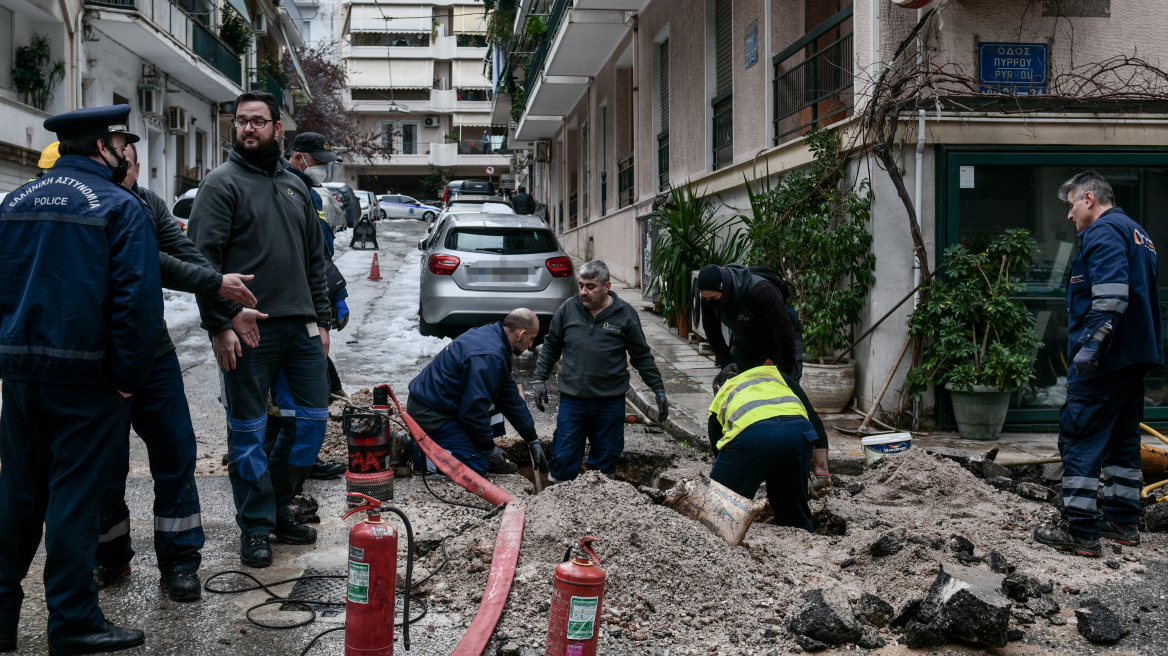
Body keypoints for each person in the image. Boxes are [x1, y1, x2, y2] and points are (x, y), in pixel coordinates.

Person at [0, 105, 161, 654]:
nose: (126, 153)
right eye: (121, 143)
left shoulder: (15, 202)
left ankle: (0, 618)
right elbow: (136, 305)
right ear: (102, 148)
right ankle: (71, 620)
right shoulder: (120, 207)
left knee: (18, 494)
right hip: (86, 379)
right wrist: (126, 379)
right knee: (74, 498)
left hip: (22, 374)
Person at [91, 143, 263, 601]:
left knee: (176, 452)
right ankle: (109, 556)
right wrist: (214, 284)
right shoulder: (95, 204)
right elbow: (147, 261)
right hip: (100, 357)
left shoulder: (148, 203)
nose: (123, 166)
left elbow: (187, 254)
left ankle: (180, 562)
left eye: (128, 158)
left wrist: (228, 310)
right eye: (115, 157)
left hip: (154, 352)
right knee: (106, 464)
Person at [188, 91, 333, 569]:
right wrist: (220, 322)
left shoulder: (295, 186)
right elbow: (200, 262)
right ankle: (255, 526)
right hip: (248, 330)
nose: (249, 129)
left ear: (277, 128)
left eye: (258, 121)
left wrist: (323, 321)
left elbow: (316, 260)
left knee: (312, 424)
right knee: (248, 431)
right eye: (241, 122)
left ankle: (276, 507)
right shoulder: (221, 184)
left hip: (301, 330)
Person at [1034, 171, 1162, 557]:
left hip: (1104, 361)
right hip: (1133, 357)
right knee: (1123, 439)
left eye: (1071, 204)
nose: (1070, 215)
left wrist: (1090, 347)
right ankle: (1123, 521)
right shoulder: (1139, 233)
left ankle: (1081, 530)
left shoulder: (1104, 232)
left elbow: (1111, 297)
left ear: (1089, 198)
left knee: (1080, 434)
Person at [696, 263, 831, 495]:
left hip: (782, 342)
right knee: (733, 392)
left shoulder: (760, 291)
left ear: (725, 290)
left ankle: (819, 471)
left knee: (791, 401)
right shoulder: (709, 297)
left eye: (714, 298)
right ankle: (739, 458)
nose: (711, 303)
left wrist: (782, 376)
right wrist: (727, 362)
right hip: (746, 344)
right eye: (706, 299)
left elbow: (784, 333)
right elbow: (711, 329)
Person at [533, 261, 667, 482]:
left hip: (609, 402)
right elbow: (551, 345)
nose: (584, 292)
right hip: (573, 401)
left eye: (591, 287)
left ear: (606, 287)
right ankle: (557, 507)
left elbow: (641, 355)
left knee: (604, 461)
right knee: (563, 457)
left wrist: (658, 388)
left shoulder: (625, 314)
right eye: (581, 285)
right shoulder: (568, 309)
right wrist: (539, 378)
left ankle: (600, 507)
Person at [407, 309, 545, 476]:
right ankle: (415, 455)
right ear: (521, 334)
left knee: (495, 407)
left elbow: (509, 396)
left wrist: (532, 438)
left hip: (444, 405)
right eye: (531, 339)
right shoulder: (489, 356)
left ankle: (468, 446)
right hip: (431, 415)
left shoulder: (494, 338)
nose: (531, 345)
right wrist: (489, 451)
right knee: (477, 465)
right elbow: (473, 412)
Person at [285, 132, 348, 481]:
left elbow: (320, 254)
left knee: (309, 391)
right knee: (289, 398)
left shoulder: (309, 194)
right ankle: (288, 468)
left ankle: (303, 462)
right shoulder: (284, 191)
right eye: (318, 163)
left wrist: (333, 296)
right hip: (290, 307)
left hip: (311, 298)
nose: (323, 170)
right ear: (298, 159)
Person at [707, 365, 827, 531]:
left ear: (718, 387)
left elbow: (721, 459)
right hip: (799, 433)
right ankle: (809, 545)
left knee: (717, 506)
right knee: (792, 514)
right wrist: (822, 472)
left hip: (754, 437)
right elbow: (814, 419)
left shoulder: (723, 393)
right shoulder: (775, 376)